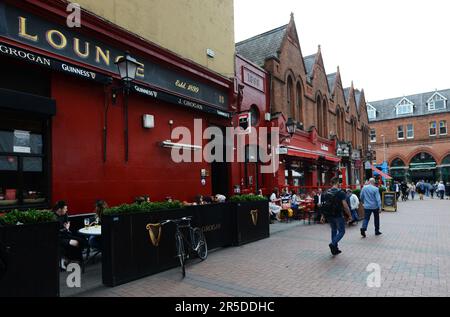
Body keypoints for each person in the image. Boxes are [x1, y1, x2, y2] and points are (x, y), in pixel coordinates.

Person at [320, 177, 351, 256]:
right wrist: (349, 215)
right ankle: (333, 244)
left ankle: (335, 249)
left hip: (329, 215)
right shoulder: (341, 193)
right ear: (337, 183)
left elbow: (324, 205)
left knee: (334, 230)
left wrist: (322, 216)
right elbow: (345, 205)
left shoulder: (326, 192)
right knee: (342, 231)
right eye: (339, 183)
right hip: (338, 214)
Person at [53, 201, 86, 269]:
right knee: (75, 242)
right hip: (59, 237)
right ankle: (75, 260)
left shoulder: (64, 214)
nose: (66, 210)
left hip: (66, 234)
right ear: (59, 209)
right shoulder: (54, 217)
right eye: (65, 208)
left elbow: (67, 223)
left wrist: (67, 227)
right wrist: (65, 228)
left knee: (82, 240)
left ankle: (74, 260)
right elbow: (56, 231)